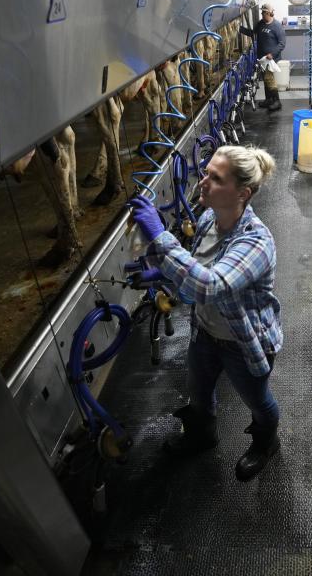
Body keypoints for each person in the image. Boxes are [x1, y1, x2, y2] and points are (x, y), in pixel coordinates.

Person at [127, 145, 283, 482]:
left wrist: (160, 237)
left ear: (242, 193)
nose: (203, 182)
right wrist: (162, 272)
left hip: (244, 343)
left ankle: (266, 441)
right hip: (206, 334)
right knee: (198, 392)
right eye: (206, 172)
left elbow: (210, 284)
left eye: (215, 178)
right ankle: (202, 435)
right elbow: (195, 268)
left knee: (258, 400)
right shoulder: (209, 219)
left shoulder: (256, 242)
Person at [239, 3, 286, 112]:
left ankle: (276, 101)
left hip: (271, 59)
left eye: (264, 13)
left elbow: (282, 44)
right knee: (266, 79)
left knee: (269, 78)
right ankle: (269, 99)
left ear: (270, 13)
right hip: (262, 58)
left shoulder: (277, 26)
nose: (262, 15)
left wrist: (272, 54)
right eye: (262, 12)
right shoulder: (261, 24)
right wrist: (240, 29)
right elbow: (252, 33)